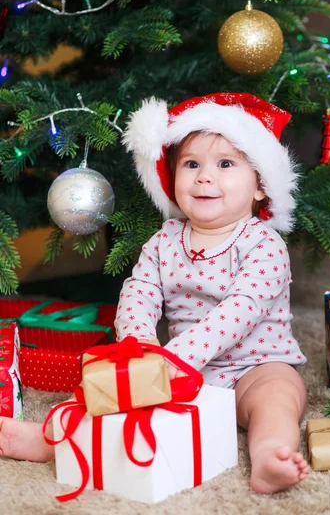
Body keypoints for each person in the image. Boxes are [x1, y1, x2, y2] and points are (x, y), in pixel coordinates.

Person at [0, 92, 308, 494]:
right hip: (187, 372)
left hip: (257, 366)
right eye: (191, 164)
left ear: (261, 188)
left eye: (225, 165)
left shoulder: (265, 245)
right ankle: (52, 437)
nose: (204, 176)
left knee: (279, 397)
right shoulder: (165, 240)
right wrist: (139, 341)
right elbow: (139, 292)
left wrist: (172, 357)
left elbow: (240, 312)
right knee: (116, 395)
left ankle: (271, 452)